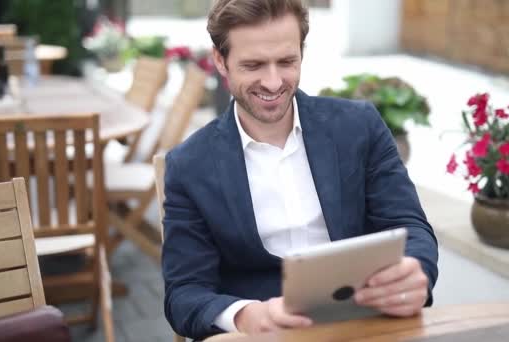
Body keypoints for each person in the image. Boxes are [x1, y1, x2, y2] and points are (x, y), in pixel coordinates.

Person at [161, 0, 439, 340]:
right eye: (253, 65)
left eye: (287, 61)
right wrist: (246, 315)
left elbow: (409, 225)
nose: (274, 82)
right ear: (220, 60)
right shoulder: (189, 165)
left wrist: (416, 270)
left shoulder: (359, 126)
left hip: (366, 325)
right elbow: (184, 293)